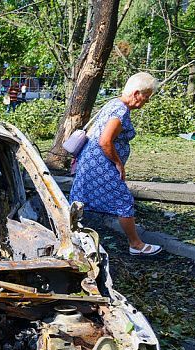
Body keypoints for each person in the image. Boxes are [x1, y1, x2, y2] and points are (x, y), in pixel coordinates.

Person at [70, 72, 162, 256]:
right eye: (146, 97)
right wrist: (118, 163)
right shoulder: (120, 110)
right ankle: (136, 245)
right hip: (102, 164)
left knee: (80, 198)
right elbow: (105, 140)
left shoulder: (113, 103)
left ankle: (71, 237)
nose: (147, 101)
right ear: (136, 93)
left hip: (90, 161)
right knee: (123, 201)